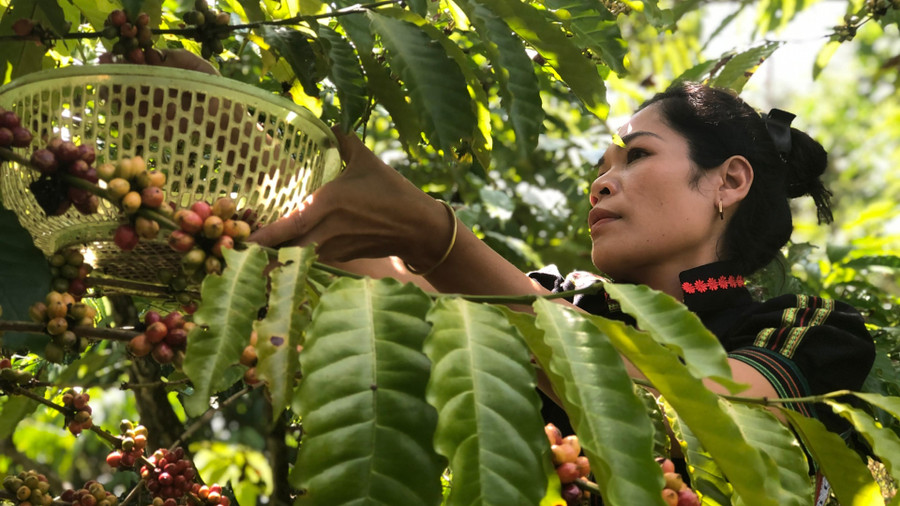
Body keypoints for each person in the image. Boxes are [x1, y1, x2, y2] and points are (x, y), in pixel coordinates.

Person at [247, 81, 876, 501]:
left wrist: (438, 237)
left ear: (729, 180)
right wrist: (244, 145)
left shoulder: (806, 327)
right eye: (601, 169)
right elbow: (385, 284)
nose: (601, 184)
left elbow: (709, 419)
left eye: (634, 157)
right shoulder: (558, 302)